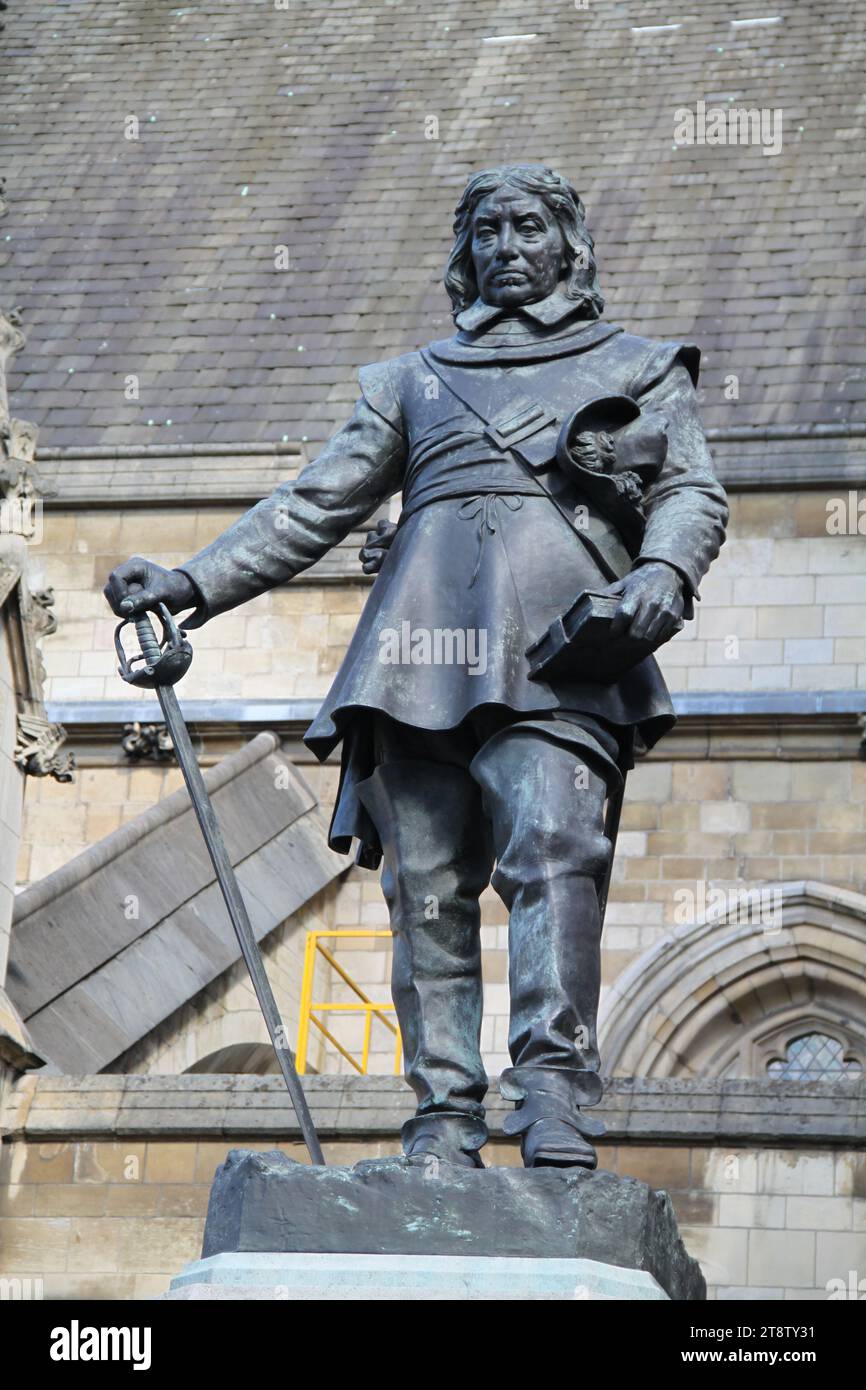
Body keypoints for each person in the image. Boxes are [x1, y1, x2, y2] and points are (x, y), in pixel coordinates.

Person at [105, 164, 728, 1170]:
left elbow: (692, 492)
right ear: (462, 251)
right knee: (426, 887)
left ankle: (553, 1095)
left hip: (560, 654)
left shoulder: (639, 365)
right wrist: (189, 582)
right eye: (485, 230)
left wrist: (660, 568)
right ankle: (442, 1115)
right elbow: (310, 507)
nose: (505, 246)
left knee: (555, 853)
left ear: (571, 244)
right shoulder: (411, 379)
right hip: (413, 655)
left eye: (527, 226)